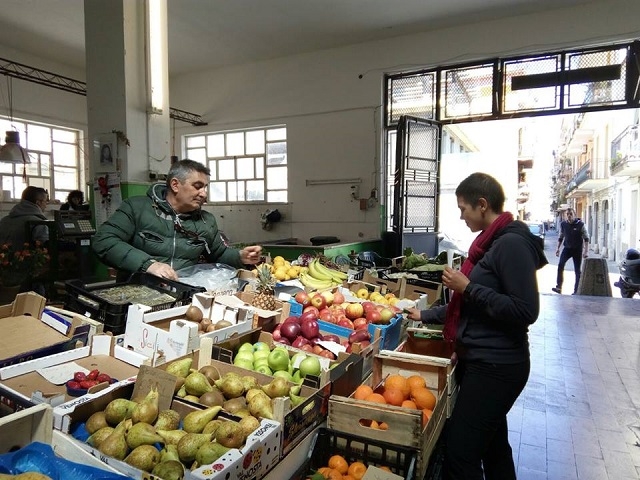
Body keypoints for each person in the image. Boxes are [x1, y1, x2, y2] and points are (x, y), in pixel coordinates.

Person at [406, 172, 547, 480]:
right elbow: (472, 309)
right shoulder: (490, 243)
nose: (461, 216)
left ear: (482, 205)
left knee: (461, 452)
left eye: (463, 208)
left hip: (497, 367)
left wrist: (468, 287)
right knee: (493, 446)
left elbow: (525, 310)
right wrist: (425, 316)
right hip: (484, 361)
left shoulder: (511, 244)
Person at [92, 159, 262, 281]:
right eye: (198, 186)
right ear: (175, 185)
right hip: (137, 293)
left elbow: (219, 254)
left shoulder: (206, 221)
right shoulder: (137, 208)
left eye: (205, 187)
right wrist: (149, 265)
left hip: (183, 295)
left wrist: (240, 257)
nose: (204, 193)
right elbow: (104, 241)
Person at [552, 207, 589, 295]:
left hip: (577, 249)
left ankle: (576, 290)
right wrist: (558, 249)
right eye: (567, 214)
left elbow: (586, 238)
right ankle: (559, 287)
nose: (569, 216)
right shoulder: (563, 224)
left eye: (571, 214)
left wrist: (586, 251)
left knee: (577, 270)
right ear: (565, 216)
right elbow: (561, 236)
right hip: (567, 248)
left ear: (574, 215)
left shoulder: (580, 225)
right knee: (560, 265)